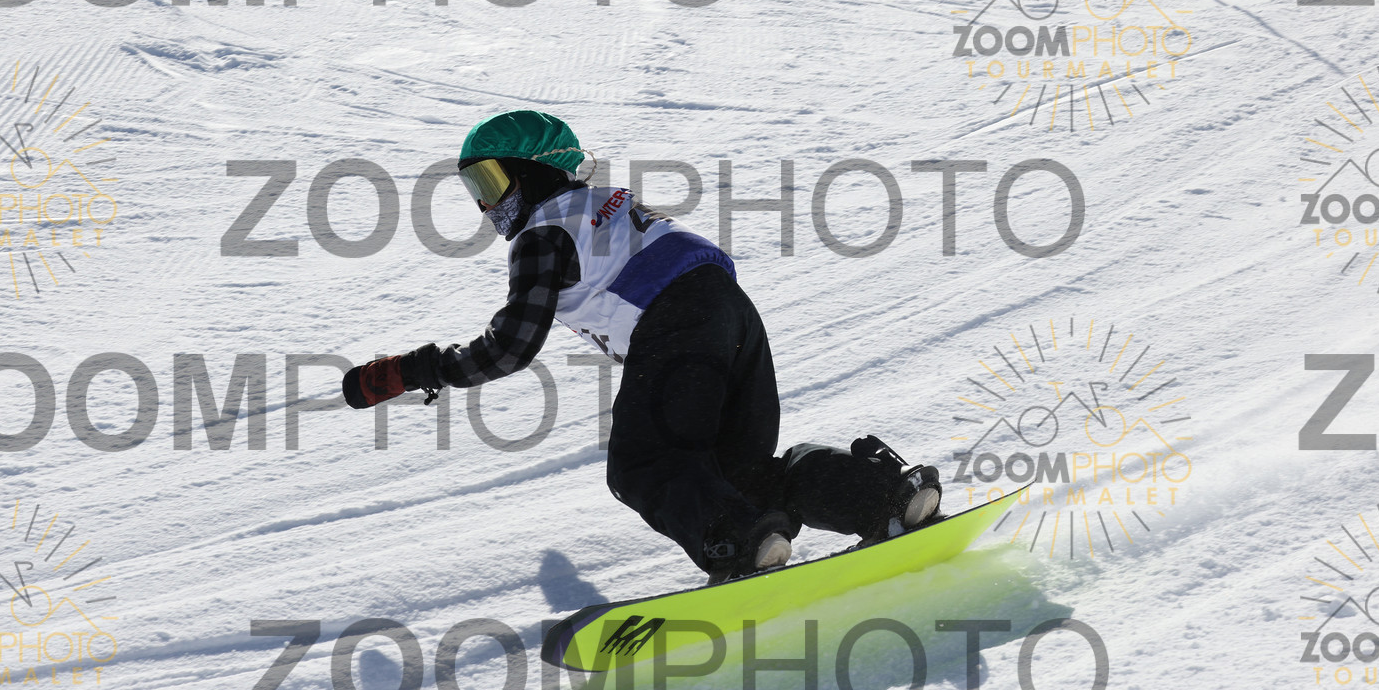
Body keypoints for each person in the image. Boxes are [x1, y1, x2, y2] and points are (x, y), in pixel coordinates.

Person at [343, 110, 941, 583]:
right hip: (735, 317)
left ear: (534, 171)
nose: (485, 203)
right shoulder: (606, 205)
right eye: (474, 186)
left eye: (491, 181)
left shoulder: (544, 230)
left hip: (677, 326)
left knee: (642, 466)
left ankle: (743, 547)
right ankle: (884, 499)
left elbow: (511, 347)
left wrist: (415, 370)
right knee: (740, 476)